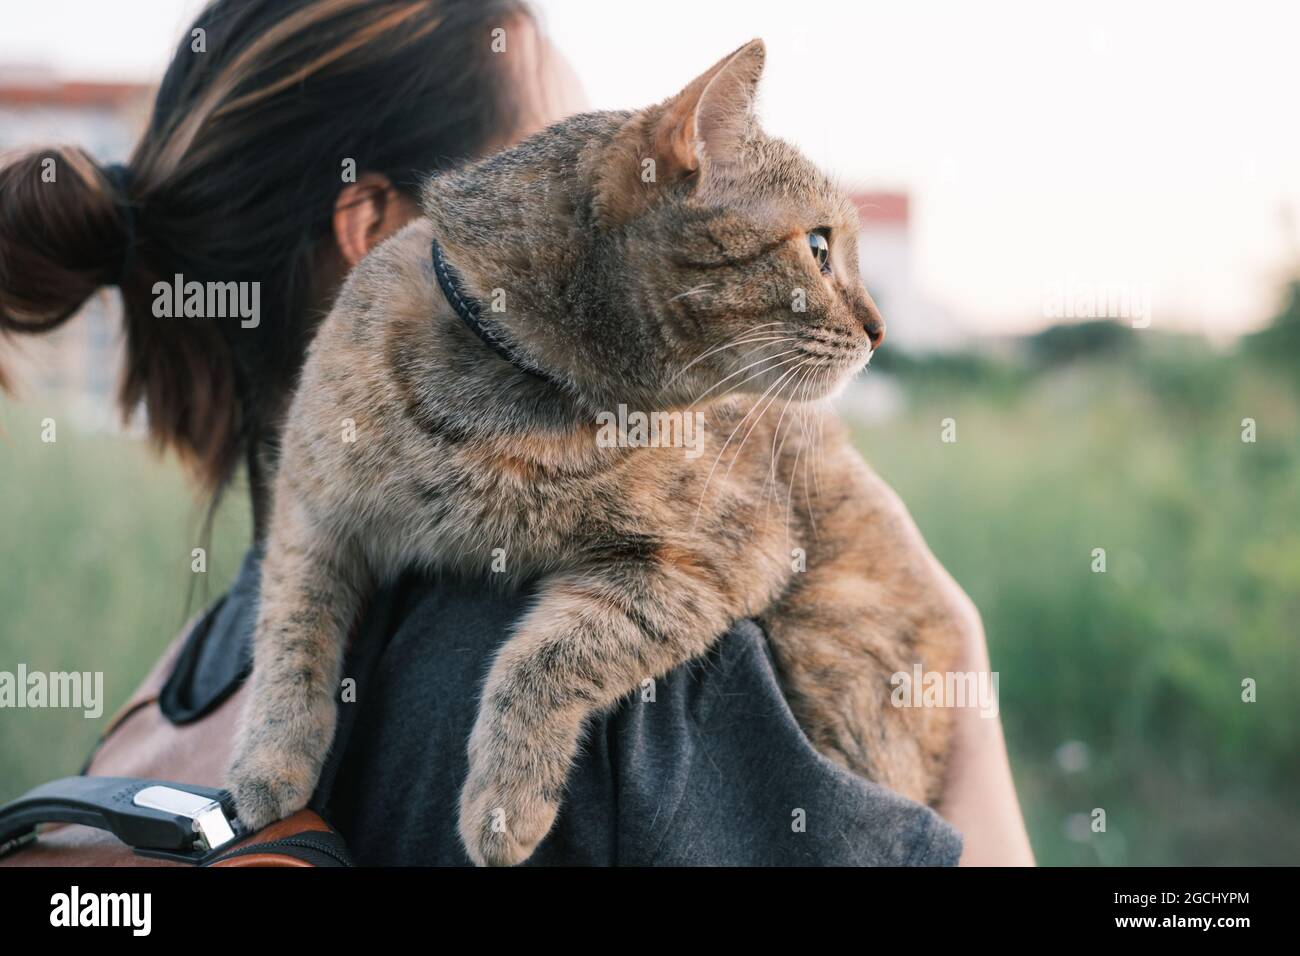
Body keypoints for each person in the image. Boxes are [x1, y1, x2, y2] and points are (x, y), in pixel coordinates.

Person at [0, 0, 1032, 865]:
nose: (600, 182)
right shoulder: (634, 690)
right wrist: (968, 681)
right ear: (381, 237)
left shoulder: (172, 689)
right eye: (552, 151)